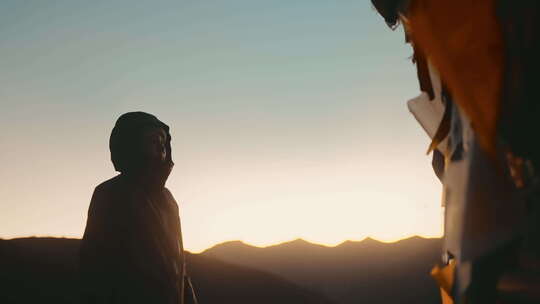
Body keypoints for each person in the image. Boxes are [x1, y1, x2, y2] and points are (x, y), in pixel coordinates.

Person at [79, 112, 197, 304]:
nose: (161, 145)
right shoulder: (110, 194)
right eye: (153, 140)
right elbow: (94, 265)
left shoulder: (168, 200)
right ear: (131, 145)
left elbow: (179, 268)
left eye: (163, 140)